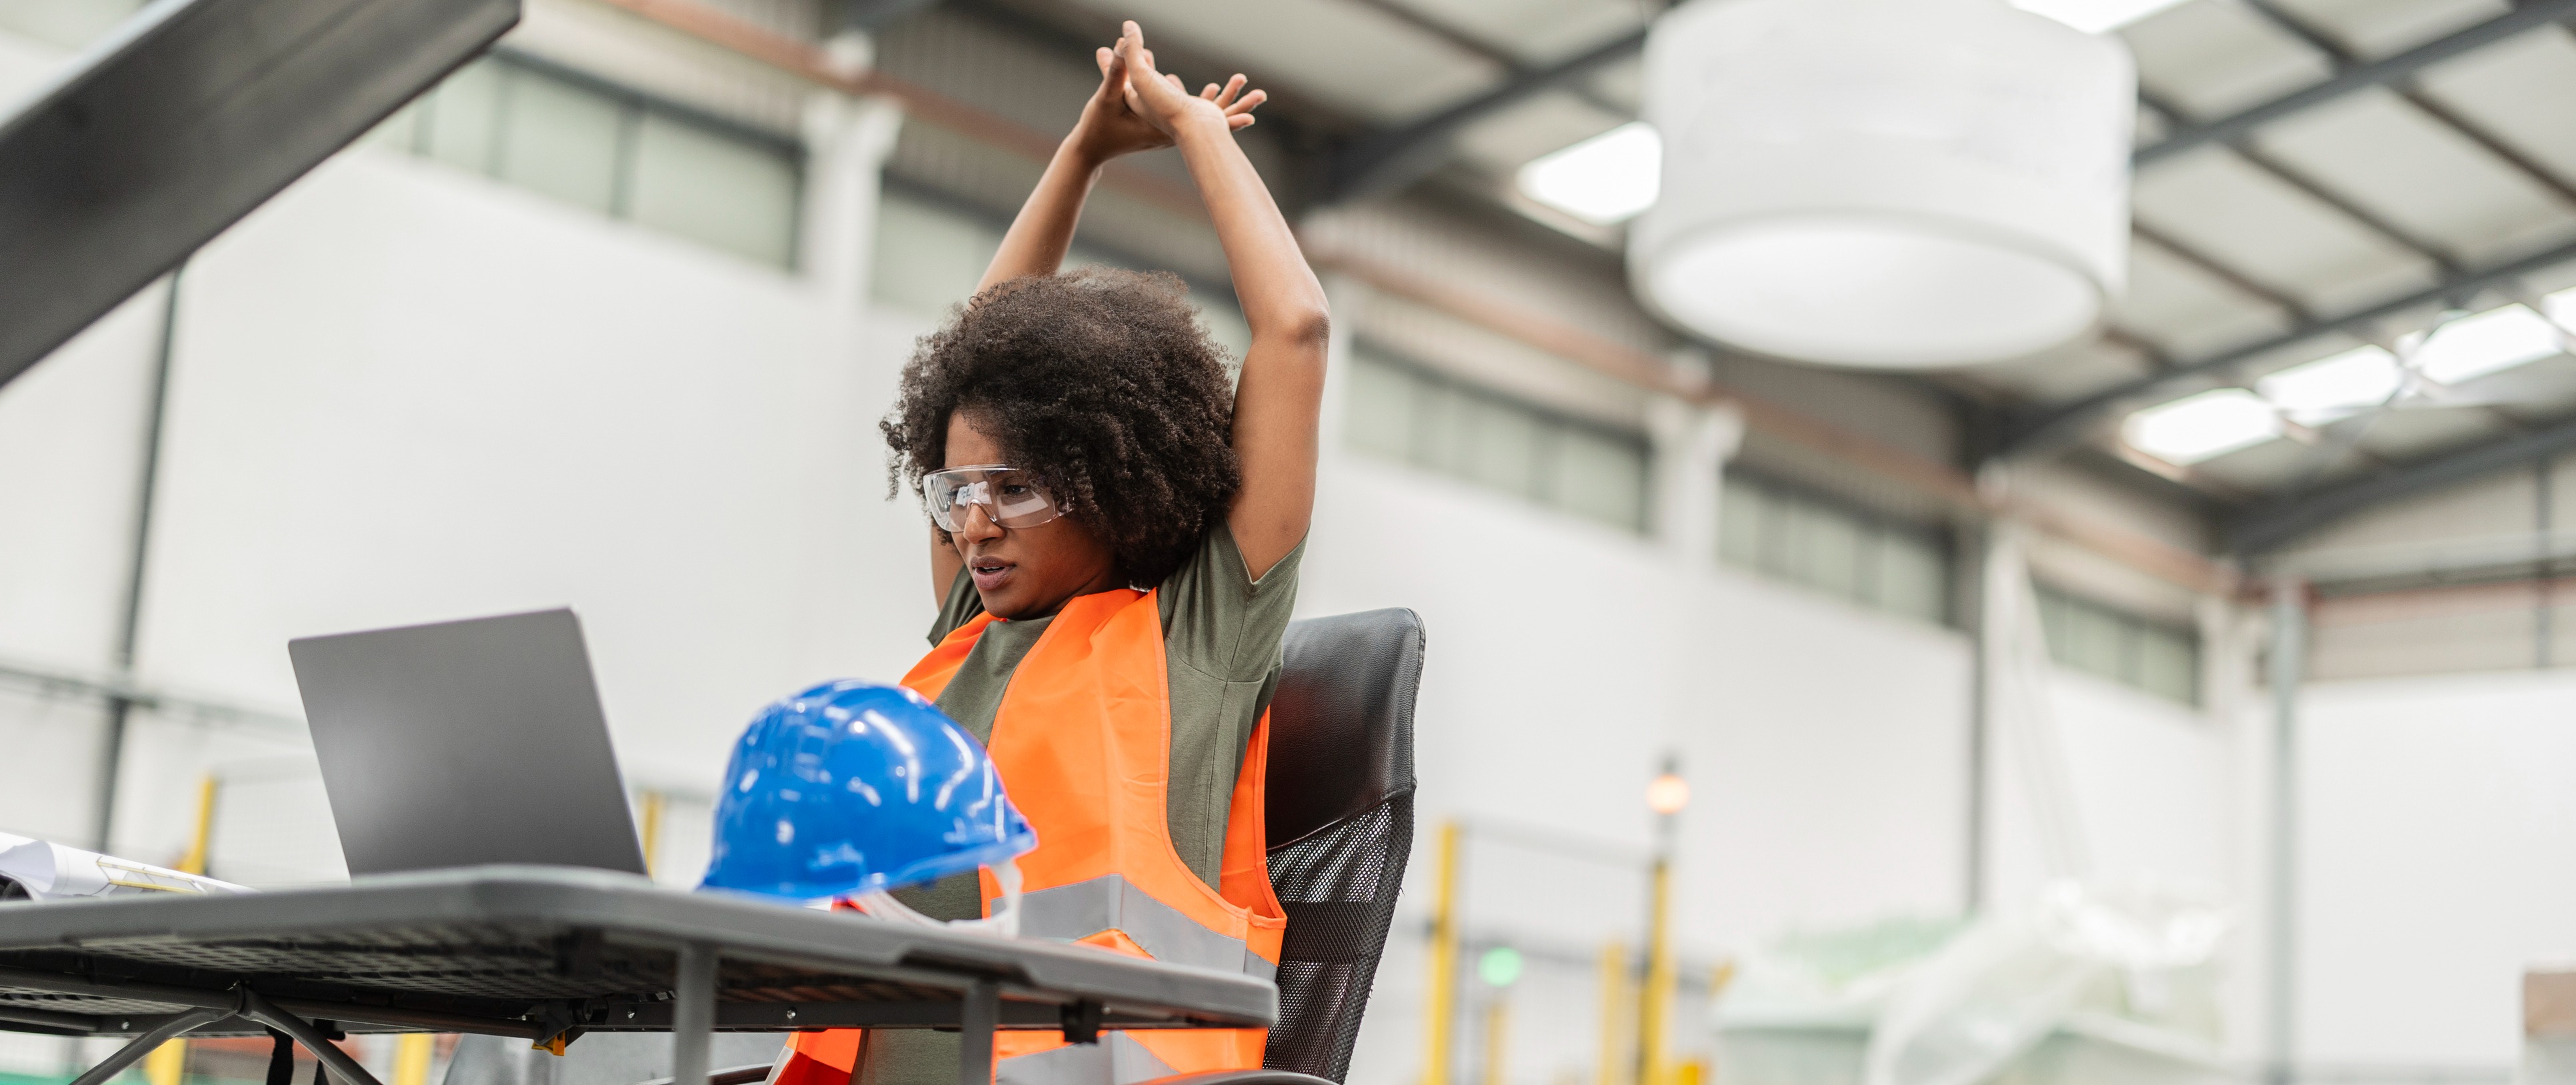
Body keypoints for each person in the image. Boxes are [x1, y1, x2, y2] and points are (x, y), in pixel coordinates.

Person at [773, 19, 1330, 1085]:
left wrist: (1194, 125)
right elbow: (982, 340)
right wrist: (1079, 153)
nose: (971, 524)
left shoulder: (1192, 639)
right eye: (955, 490)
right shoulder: (968, 639)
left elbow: (1295, 332)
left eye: (1013, 491)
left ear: (1117, 489)